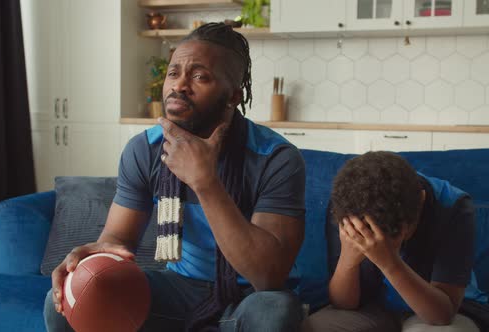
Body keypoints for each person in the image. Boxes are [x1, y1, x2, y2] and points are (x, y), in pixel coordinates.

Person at [44, 22, 306, 332]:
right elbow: (118, 240)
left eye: (199, 76)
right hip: (177, 289)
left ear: (233, 95)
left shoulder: (276, 158)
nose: (179, 85)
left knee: (277, 309)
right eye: (173, 73)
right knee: (63, 299)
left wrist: (205, 182)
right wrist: (91, 264)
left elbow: (267, 276)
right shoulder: (145, 149)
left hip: (246, 297)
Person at [302, 151, 485, 332]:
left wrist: (388, 261)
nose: (377, 242)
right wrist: (347, 260)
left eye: (395, 236)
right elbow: (344, 305)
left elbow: (441, 316)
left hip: (442, 309)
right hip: (373, 307)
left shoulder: (452, 206)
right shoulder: (348, 207)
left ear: (421, 201)